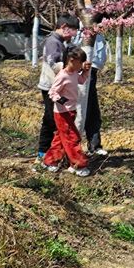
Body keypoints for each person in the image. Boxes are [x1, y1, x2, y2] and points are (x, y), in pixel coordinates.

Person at [41, 47, 92, 177]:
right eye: (80, 62)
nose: (81, 65)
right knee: (71, 137)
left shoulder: (75, 73)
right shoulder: (62, 75)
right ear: (71, 60)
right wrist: (61, 100)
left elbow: (80, 80)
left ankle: (49, 161)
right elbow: (52, 92)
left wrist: (85, 71)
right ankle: (78, 165)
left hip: (71, 111)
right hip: (62, 112)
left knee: (60, 137)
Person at [37, 14, 79, 162]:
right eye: (72, 32)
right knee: (51, 119)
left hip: (58, 87)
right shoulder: (53, 42)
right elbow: (53, 64)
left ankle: (53, 152)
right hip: (50, 87)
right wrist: (72, 68)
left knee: (54, 119)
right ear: (64, 27)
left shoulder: (62, 42)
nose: (73, 37)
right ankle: (44, 152)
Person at [72, 17, 108, 155]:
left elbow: (100, 52)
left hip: (91, 71)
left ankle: (94, 144)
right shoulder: (80, 30)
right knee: (82, 108)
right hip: (80, 71)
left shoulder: (97, 33)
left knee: (91, 107)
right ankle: (77, 146)